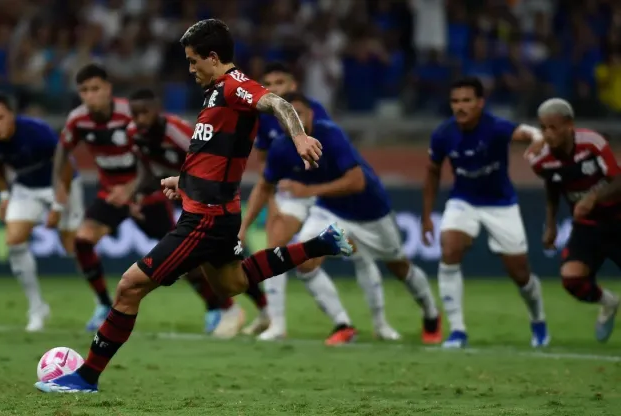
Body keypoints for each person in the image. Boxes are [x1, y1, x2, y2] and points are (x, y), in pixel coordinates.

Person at [35, 18, 351, 393]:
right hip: (214, 212)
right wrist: (181, 182)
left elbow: (278, 102)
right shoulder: (216, 91)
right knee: (232, 283)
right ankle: (323, 244)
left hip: (206, 219)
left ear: (213, 57)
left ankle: (86, 377)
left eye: (193, 61)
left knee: (129, 288)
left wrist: (299, 137)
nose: (189, 69)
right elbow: (213, 154)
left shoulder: (236, 86)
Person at [241, 92, 442, 345]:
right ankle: (343, 324)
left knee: (399, 266)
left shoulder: (330, 135)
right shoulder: (281, 147)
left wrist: (309, 191)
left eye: (299, 114)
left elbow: (357, 181)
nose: (293, 121)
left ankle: (431, 315)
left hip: (370, 211)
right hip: (330, 210)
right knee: (304, 261)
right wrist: (244, 227)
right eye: (287, 116)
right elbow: (264, 185)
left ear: (311, 114)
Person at [126, 87, 269, 338]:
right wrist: (137, 194)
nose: (139, 120)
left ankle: (263, 310)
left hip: (211, 199)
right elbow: (149, 172)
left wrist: (186, 185)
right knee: (187, 264)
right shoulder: (135, 135)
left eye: (144, 113)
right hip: (186, 201)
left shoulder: (178, 133)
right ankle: (224, 310)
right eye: (134, 114)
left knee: (227, 261)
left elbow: (209, 164)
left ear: (157, 110)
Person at [421, 77, 549, 349]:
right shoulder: (443, 133)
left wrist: (538, 136)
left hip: (501, 204)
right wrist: (426, 216)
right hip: (463, 201)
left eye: (467, 101)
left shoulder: (495, 127)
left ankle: (538, 320)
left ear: (480, 103)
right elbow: (432, 172)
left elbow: (523, 132)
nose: (460, 107)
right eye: (455, 101)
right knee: (450, 250)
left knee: (520, 272)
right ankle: (457, 330)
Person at [53, 64, 177, 332]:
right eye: (84, 90)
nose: (90, 95)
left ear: (108, 89)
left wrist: (132, 190)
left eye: (95, 88)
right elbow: (62, 151)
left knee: (181, 257)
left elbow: (152, 157)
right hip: (110, 195)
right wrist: (59, 188)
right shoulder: (77, 119)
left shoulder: (132, 115)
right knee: (83, 241)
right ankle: (102, 304)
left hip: (147, 194)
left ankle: (217, 308)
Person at [247, 62, 346, 342]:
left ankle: (375, 322)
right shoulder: (264, 116)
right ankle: (276, 324)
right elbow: (266, 166)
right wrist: (273, 200)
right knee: (275, 248)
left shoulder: (314, 111)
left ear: (293, 86)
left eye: (280, 82)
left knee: (361, 257)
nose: (274, 89)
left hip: (323, 195)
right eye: (269, 84)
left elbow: (333, 160)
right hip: (289, 194)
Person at [0, 91, 83, 332]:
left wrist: (57, 206)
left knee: (72, 247)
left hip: (61, 182)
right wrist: (4, 196)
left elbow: (65, 163)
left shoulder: (38, 132)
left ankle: (102, 302)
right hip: (26, 185)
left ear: (12, 115)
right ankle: (37, 308)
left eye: (0, 117)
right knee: (14, 241)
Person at [529, 98, 620, 342]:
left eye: (553, 127)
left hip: (617, 219)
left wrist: (593, 197)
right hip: (588, 226)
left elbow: (618, 180)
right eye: (543, 128)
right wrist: (550, 225)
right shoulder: (541, 161)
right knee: (572, 279)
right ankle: (609, 302)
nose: (548, 134)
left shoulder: (592, 143)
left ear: (569, 125)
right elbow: (552, 187)